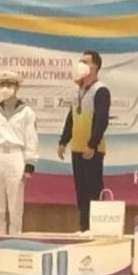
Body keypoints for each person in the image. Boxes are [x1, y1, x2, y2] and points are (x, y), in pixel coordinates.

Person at [0, 70, 38, 236]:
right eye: (2, 85)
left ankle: (14, 242)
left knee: (15, 207)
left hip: (15, 156)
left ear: (16, 87)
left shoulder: (26, 112)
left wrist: (30, 164)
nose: (5, 88)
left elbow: (31, 139)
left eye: (9, 85)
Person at [58, 51, 111, 232]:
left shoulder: (101, 91)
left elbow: (102, 120)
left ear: (94, 66)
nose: (80, 64)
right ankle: (83, 227)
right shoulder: (78, 91)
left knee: (93, 189)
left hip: (92, 149)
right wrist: (63, 141)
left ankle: (96, 228)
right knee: (81, 189)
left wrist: (92, 144)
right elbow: (71, 118)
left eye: (85, 61)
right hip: (77, 148)